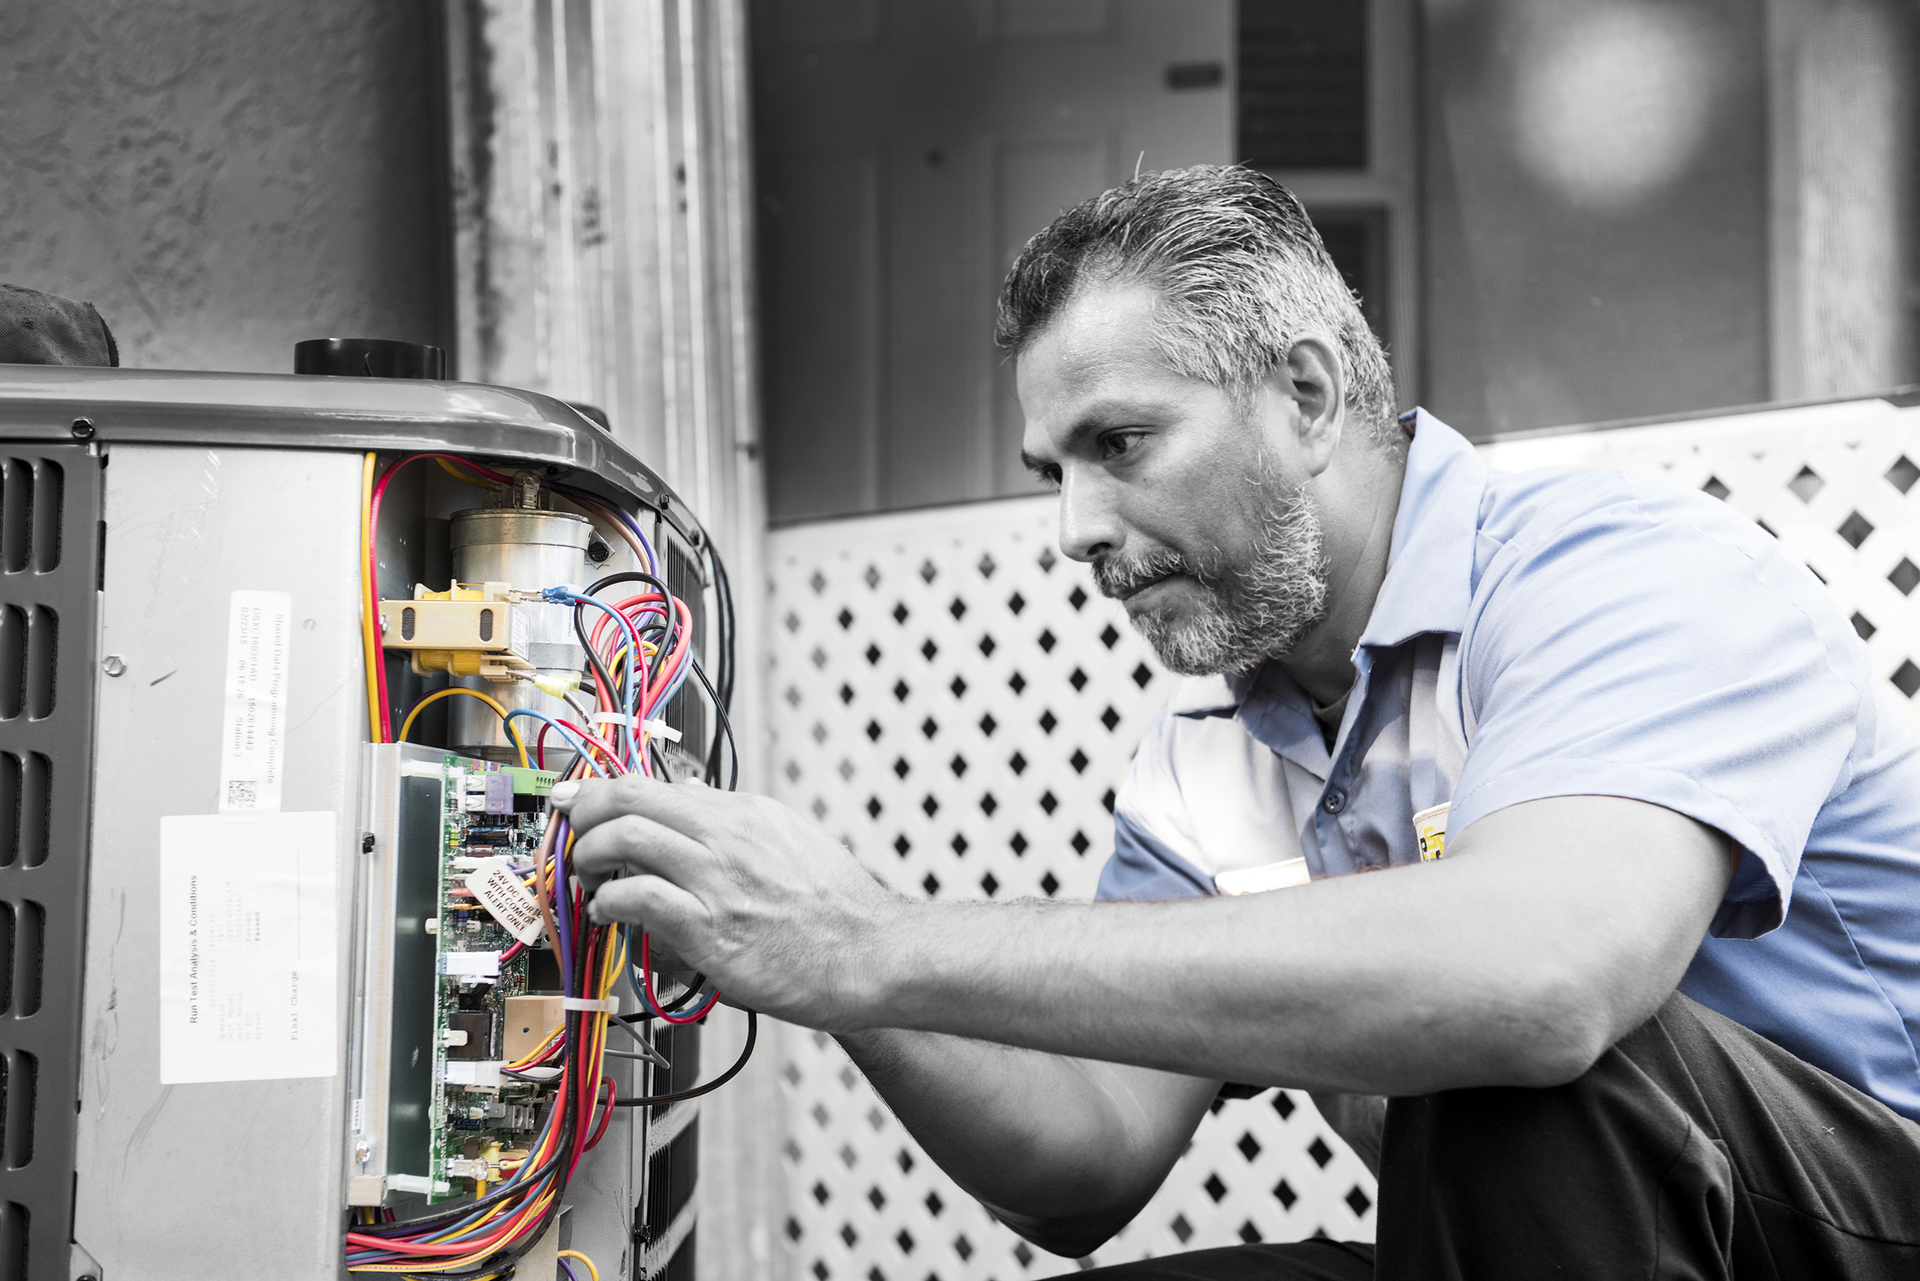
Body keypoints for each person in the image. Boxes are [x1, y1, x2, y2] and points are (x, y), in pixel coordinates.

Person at [555, 166, 1920, 1277]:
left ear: (1308, 398)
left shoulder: (1621, 573)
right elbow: (1089, 1164)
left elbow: (1542, 982)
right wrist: (829, 965)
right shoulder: (1209, 752)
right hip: (1521, 1248)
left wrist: (873, 941)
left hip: (1852, 1226)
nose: (1075, 530)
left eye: (1120, 444)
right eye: (1052, 471)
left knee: (1502, 1063)